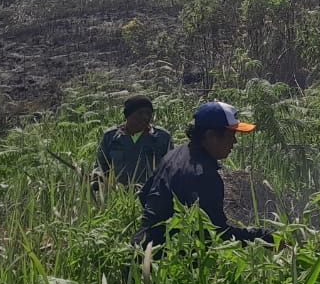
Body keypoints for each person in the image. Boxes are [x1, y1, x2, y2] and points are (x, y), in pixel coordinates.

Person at [133, 101, 271, 252]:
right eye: (231, 135)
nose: (235, 142)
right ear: (211, 135)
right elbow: (219, 233)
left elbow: (144, 196)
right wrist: (266, 238)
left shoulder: (174, 155)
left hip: (140, 249)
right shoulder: (204, 175)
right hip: (166, 262)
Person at [91, 95, 173, 188]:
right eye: (140, 113)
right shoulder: (111, 137)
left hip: (150, 195)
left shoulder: (162, 137)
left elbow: (171, 169)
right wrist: (98, 177)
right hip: (118, 194)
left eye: (148, 113)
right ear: (128, 115)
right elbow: (101, 165)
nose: (145, 117)